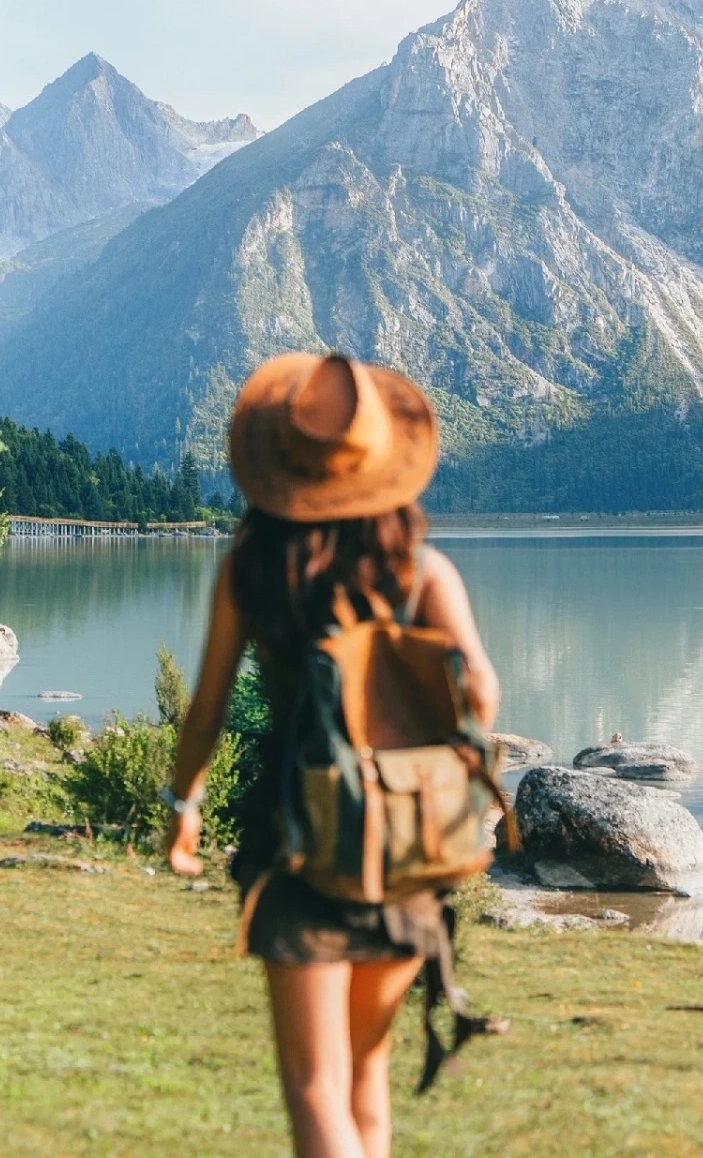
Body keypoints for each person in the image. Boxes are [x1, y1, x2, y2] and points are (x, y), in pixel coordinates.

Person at [164, 351, 500, 1158]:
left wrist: (185, 808)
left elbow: (206, 710)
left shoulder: (252, 570)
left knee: (316, 1090)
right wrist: (438, 779)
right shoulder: (422, 571)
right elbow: (481, 693)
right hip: (405, 846)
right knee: (365, 1085)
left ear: (280, 470)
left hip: (298, 843)